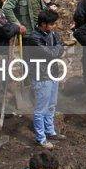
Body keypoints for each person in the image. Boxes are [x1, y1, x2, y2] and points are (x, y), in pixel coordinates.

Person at [26, 9, 65, 148]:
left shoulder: (52, 34)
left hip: (53, 72)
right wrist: (57, 49)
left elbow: (61, 48)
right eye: (52, 24)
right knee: (40, 108)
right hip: (41, 75)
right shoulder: (33, 38)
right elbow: (52, 53)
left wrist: (57, 50)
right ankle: (41, 138)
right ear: (43, 24)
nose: (54, 26)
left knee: (52, 104)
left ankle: (50, 130)